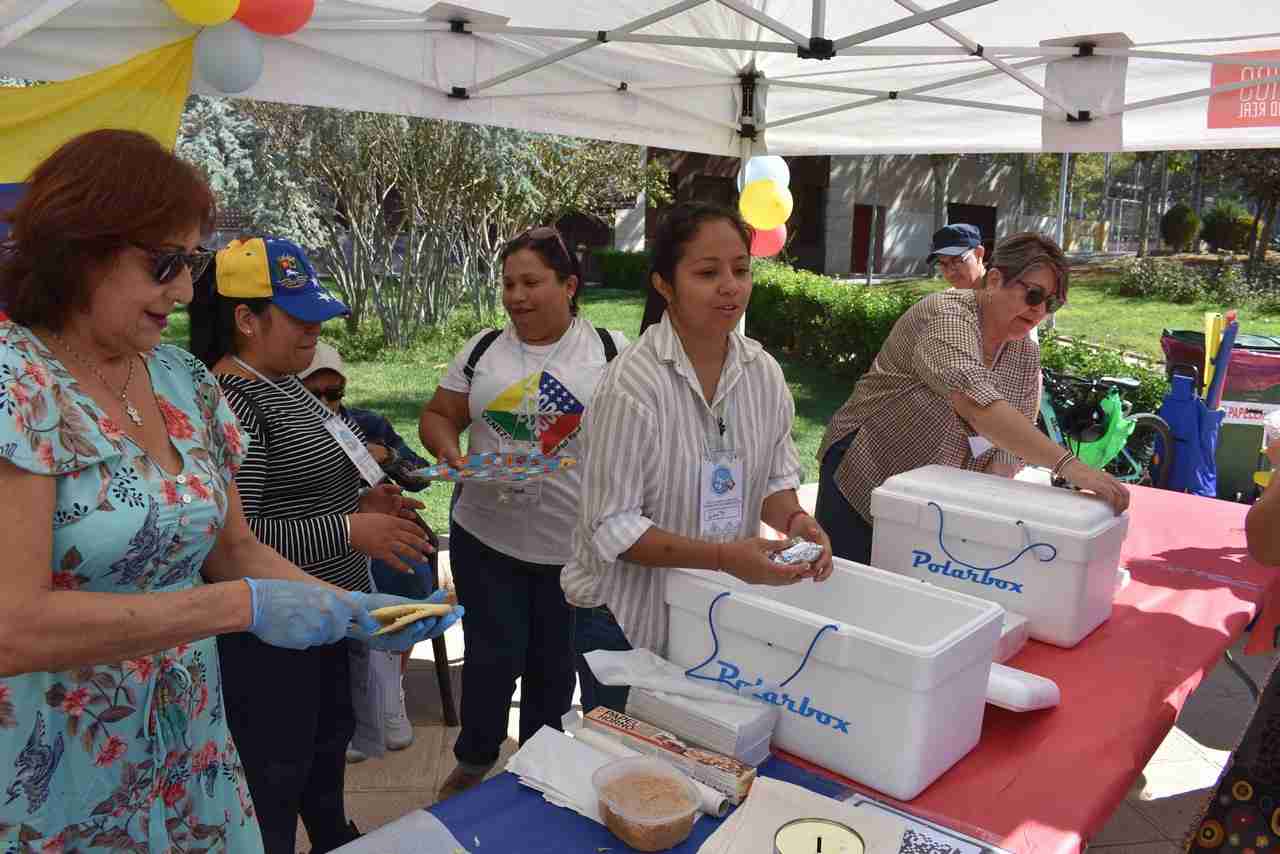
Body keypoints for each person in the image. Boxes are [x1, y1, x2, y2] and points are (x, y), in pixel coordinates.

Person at [0, 129, 437, 852]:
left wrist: (352, 608)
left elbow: (235, 548)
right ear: (78, 247)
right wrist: (237, 607)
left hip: (189, 739)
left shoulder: (183, 380)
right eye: (165, 262)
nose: (182, 289)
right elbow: (13, 626)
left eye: (192, 262)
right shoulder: (17, 382)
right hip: (58, 760)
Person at [190, 236, 458, 854]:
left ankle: (333, 834)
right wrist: (347, 530)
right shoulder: (234, 401)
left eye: (317, 313)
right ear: (245, 319)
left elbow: (306, 489)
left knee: (326, 740)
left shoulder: (283, 384)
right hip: (272, 632)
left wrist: (367, 504)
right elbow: (234, 539)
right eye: (299, 316)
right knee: (275, 770)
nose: (315, 328)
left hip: (324, 614)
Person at [560, 203, 835, 717]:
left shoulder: (763, 373)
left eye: (741, 269)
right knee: (632, 763)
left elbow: (774, 480)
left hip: (714, 604)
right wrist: (725, 556)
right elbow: (612, 529)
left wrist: (798, 522)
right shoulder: (631, 386)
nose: (730, 286)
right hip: (627, 617)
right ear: (664, 285)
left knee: (705, 750)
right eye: (708, 273)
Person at [419, 226, 628, 800]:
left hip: (569, 546)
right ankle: (476, 754)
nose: (516, 296)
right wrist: (449, 451)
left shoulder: (611, 353)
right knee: (491, 654)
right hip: (485, 536)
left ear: (568, 285)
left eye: (532, 282)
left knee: (553, 664)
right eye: (509, 283)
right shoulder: (485, 348)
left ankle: (537, 761)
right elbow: (439, 414)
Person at [815, 232, 1129, 566]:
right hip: (863, 470)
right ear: (994, 280)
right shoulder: (946, 315)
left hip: (931, 499)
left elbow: (1010, 447)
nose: (1038, 309)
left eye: (1051, 303)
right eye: (1033, 294)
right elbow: (975, 402)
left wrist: (976, 516)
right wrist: (1069, 466)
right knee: (845, 587)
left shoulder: (1025, 353)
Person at [298, 340, 437, 758]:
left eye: (334, 394)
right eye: (313, 392)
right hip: (325, 540)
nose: (326, 402)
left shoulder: (364, 424)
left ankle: (388, 685)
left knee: (408, 570)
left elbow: (421, 477)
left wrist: (387, 456)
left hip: (380, 532)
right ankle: (351, 696)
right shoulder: (286, 431)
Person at [930, 223, 1038, 343]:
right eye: (943, 264)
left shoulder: (1009, 300)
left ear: (979, 254)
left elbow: (1026, 354)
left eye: (957, 260)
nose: (950, 272)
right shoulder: (947, 302)